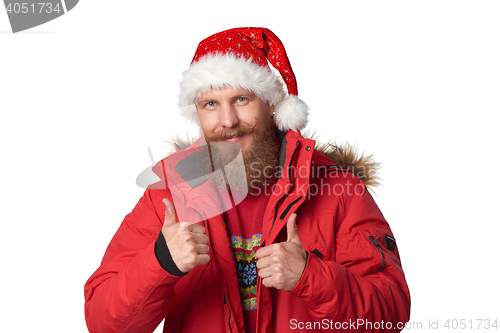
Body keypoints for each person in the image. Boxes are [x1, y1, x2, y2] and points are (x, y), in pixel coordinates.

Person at [84, 27, 411, 333]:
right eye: (211, 104)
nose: (228, 121)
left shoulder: (338, 190)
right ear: (197, 114)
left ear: (271, 106)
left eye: (242, 99)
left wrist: (310, 277)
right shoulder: (169, 194)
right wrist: (161, 263)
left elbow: (392, 312)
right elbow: (103, 321)